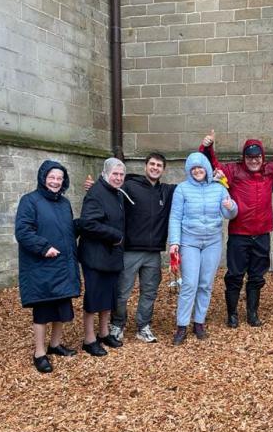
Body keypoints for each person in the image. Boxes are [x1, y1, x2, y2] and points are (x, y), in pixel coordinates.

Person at [200, 130, 273, 328]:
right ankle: (232, 314)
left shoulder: (269, 171)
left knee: (257, 276)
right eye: (249, 157)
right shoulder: (234, 171)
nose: (253, 161)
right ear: (244, 157)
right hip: (239, 234)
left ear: (262, 157)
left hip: (262, 233)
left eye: (257, 157)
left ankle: (252, 313)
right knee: (235, 275)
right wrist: (207, 147)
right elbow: (212, 166)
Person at [94, 152, 175, 344]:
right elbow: (109, 190)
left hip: (153, 252)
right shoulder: (129, 185)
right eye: (152, 164)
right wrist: (95, 186)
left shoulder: (167, 191)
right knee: (122, 291)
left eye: (159, 165)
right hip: (130, 249)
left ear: (163, 169)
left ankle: (143, 326)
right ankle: (117, 324)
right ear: (146, 166)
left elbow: (192, 187)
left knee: (150, 291)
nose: (155, 168)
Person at [15, 160, 81, 373]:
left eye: (59, 178)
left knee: (61, 307)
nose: (55, 181)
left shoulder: (64, 203)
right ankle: (39, 353)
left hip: (63, 264)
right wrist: (44, 248)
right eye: (51, 177)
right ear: (43, 178)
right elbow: (23, 231)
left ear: (64, 181)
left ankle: (55, 345)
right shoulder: (30, 201)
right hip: (41, 265)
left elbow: (68, 231)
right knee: (43, 311)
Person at [168, 152, 238, 345]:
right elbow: (175, 217)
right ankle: (182, 325)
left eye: (200, 167)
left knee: (206, 283)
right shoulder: (182, 189)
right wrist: (174, 242)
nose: (197, 171)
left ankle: (199, 322)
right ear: (189, 171)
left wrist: (231, 206)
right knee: (190, 283)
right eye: (193, 168)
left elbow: (229, 213)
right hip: (189, 241)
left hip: (212, 242)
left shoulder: (219, 188)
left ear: (206, 169)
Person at [77, 157, 129, 356]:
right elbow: (88, 223)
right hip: (95, 254)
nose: (118, 178)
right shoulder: (95, 193)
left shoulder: (117, 193)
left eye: (121, 174)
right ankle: (89, 339)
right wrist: (115, 236)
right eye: (114, 174)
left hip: (111, 254)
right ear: (105, 174)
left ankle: (104, 332)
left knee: (108, 296)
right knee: (94, 296)